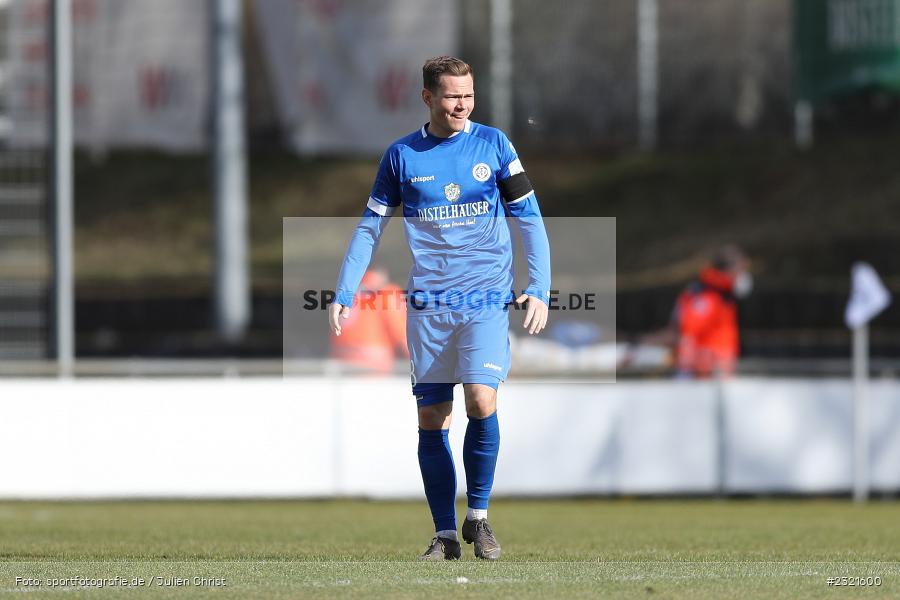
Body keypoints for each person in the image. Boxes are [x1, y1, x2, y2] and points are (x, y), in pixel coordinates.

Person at [328, 56, 551, 561]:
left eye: (469, 95)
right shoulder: (401, 156)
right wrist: (344, 292)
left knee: (481, 399)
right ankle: (445, 534)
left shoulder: (494, 145)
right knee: (433, 416)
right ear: (428, 97)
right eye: (453, 96)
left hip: (485, 298)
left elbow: (529, 217)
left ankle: (479, 517)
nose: (463, 105)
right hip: (429, 305)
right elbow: (370, 227)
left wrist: (539, 286)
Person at [674, 245, 752, 378]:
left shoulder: (725, 296)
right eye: (741, 270)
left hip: (720, 371)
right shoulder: (709, 296)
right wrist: (687, 369)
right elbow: (689, 335)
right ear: (730, 269)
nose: (744, 275)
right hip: (708, 375)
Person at [330, 267, 408, 374]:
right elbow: (400, 331)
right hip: (373, 360)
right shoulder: (387, 292)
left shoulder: (348, 292)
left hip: (340, 358)